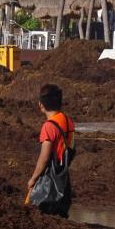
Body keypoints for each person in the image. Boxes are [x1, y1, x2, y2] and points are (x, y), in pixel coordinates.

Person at [27, 83, 76, 218]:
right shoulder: (68, 121)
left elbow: (44, 158)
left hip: (50, 179)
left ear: (41, 105)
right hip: (63, 177)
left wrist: (33, 178)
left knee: (43, 214)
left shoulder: (49, 127)